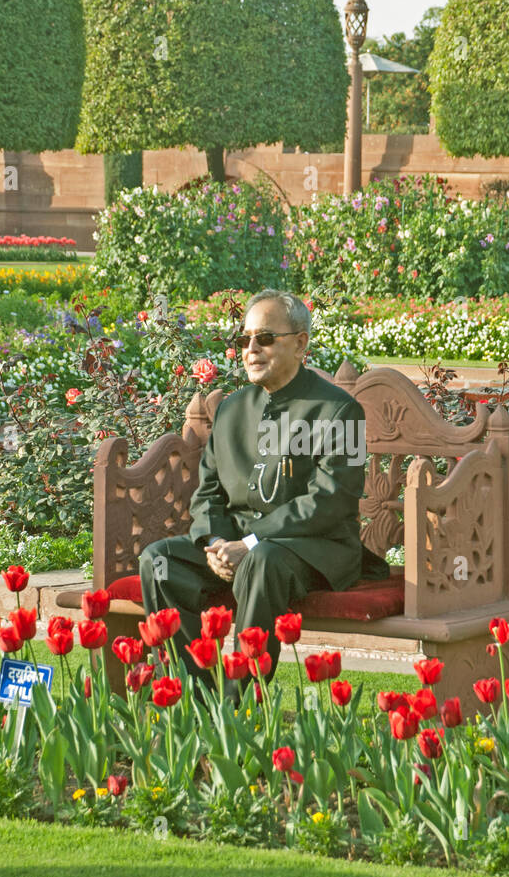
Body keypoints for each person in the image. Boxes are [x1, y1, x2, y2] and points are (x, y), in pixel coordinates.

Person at [138, 289, 388, 699]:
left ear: (301, 343)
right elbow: (208, 493)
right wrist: (218, 542)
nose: (251, 349)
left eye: (266, 338)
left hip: (311, 548)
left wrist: (249, 542)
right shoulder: (233, 409)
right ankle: (195, 697)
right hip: (237, 546)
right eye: (244, 340)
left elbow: (331, 500)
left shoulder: (340, 411)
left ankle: (239, 705)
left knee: (262, 559)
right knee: (158, 560)